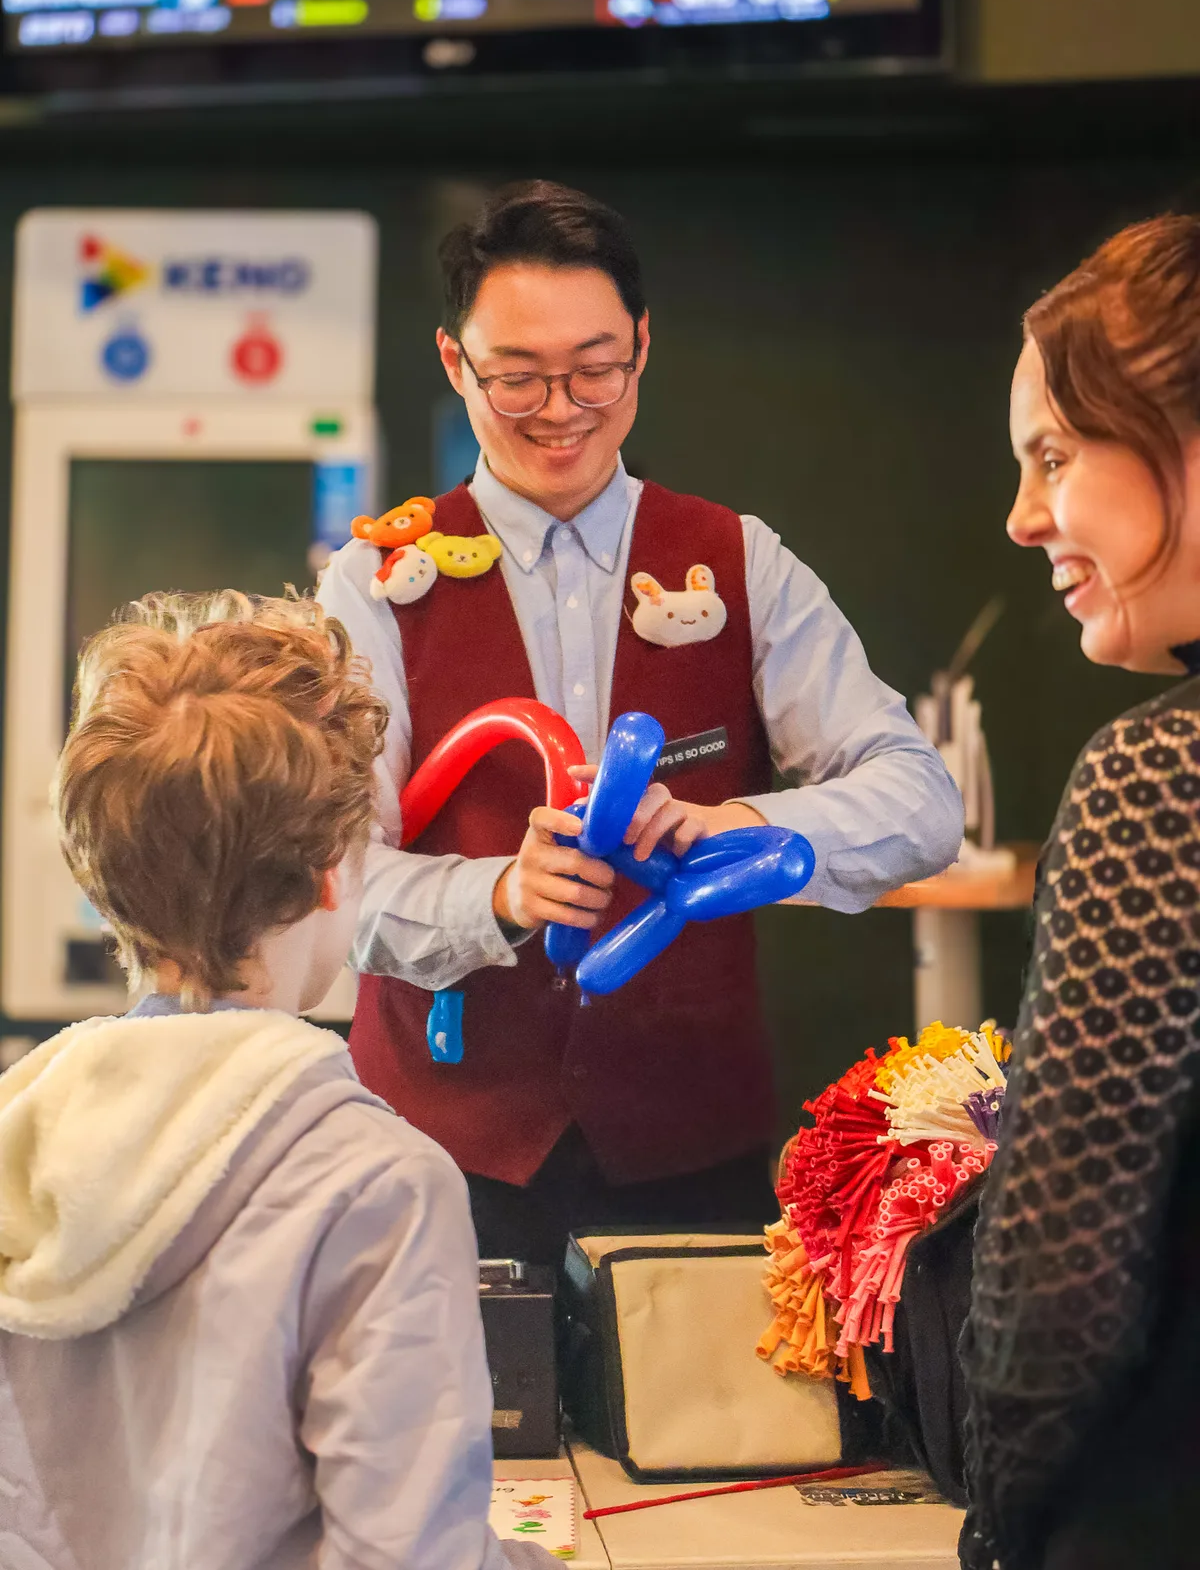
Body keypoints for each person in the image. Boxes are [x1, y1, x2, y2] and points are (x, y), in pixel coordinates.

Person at [318, 179, 963, 1265]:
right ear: (453, 364)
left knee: (701, 1433)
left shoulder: (740, 560)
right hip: (439, 1153)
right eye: (517, 378)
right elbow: (333, 884)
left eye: (594, 369)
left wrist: (742, 825)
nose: (561, 408)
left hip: (689, 1151)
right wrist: (500, 896)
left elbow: (920, 801)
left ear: (644, 348)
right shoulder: (376, 585)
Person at [0, 590, 554, 1570]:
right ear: (335, 877)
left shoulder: (19, 1143)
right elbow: (408, 1555)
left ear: (103, 881)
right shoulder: (381, 1185)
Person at [960, 214, 1200, 1570]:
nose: (1023, 516)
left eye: (1055, 453)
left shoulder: (1164, 778)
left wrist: (998, 1527)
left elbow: (1055, 1291)